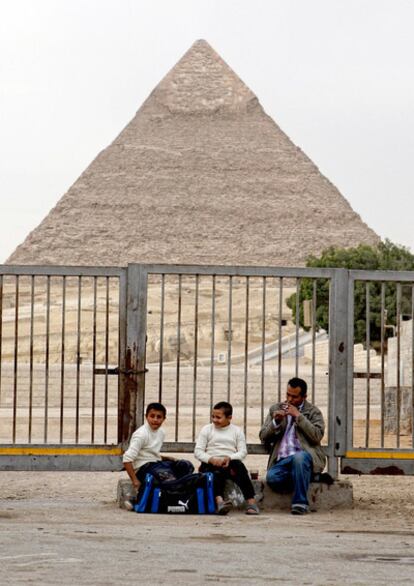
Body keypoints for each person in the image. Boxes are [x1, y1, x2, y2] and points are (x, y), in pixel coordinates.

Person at [259, 377, 326, 515]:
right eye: (287, 395)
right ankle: (304, 475)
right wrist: (275, 423)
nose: (289, 399)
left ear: (304, 397)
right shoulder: (276, 409)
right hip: (282, 461)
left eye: (294, 397)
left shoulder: (313, 412)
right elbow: (263, 436)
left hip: (304, 457)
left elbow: (317, 436)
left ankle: (300, 503)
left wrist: (298, 416)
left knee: (299, 458)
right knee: (272, 478)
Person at [194, 401, 259, 515]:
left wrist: (229, 458)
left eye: (218, 417)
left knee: (240, 467)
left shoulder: (237, 431)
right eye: (213, 416)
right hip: (211, 463)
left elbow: (243, 452)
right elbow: (198, 451)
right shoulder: (207, 429)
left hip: (229, 463)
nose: (214, 420)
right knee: (213, 474)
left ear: (229, 418)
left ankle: (251, 503)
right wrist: (211, 459)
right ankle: (220, 502)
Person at [123, 402, 194, 502]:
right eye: (152, 416)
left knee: (186, 465)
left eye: (159, 417)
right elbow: (127, 459)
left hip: (157, 464)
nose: (155, 420)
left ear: (164, 418)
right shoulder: (141, 434)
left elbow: (149, 452)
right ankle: (139, 497)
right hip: (144, 468)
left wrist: (167, 458)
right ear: (146, 417)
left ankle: (177, 486)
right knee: (166, 477)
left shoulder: (161, 432)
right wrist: (135, 481)